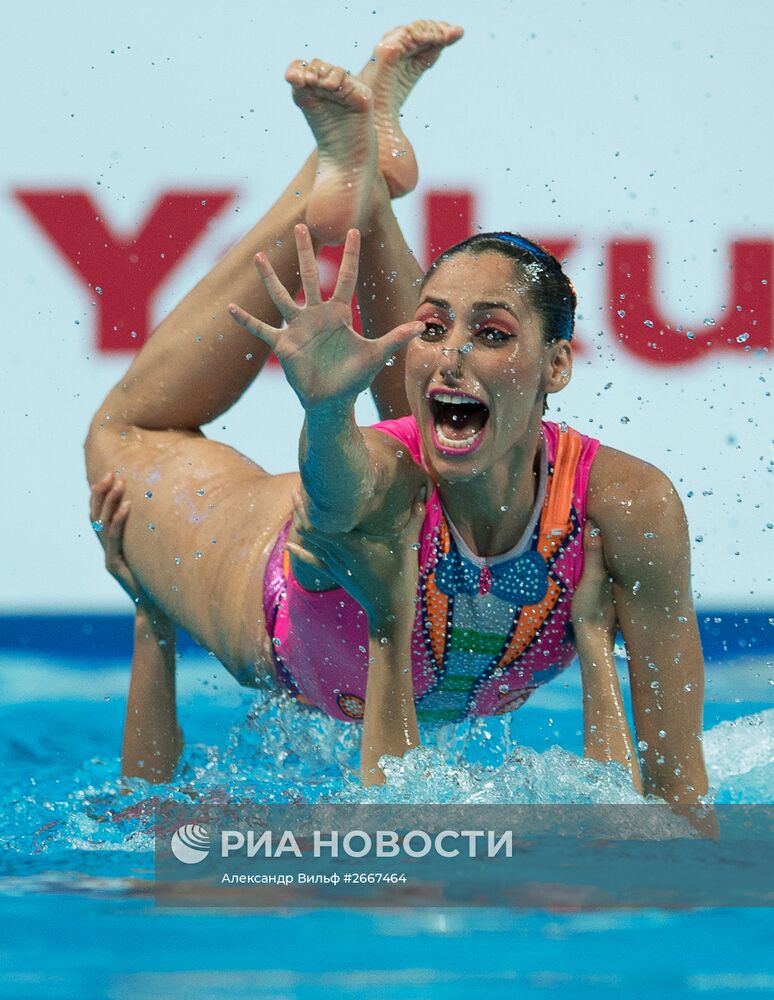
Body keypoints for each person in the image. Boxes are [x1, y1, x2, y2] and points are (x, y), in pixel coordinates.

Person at [86, 20, 704, 803]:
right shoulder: (378, 477)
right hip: (270, 596)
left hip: (437, 489)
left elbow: (678, 799)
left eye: (492, 333)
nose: (450, 352)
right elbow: (340, 485)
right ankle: (334, 183)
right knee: (122, 436)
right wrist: (327, 408)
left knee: (456, 437)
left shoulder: (628, 509)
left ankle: (363, 187)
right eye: (433, 326)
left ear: (558, 365)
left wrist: (591, 641)